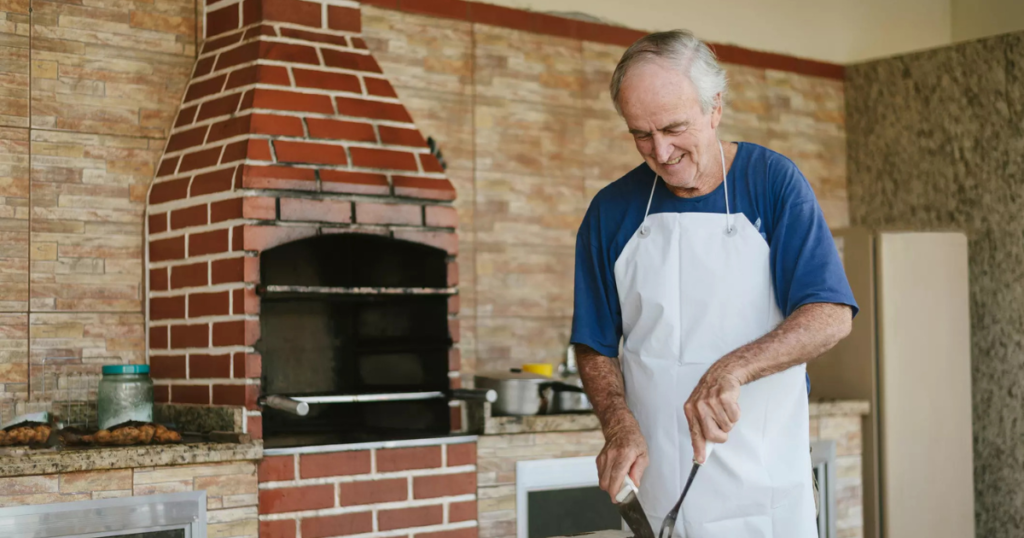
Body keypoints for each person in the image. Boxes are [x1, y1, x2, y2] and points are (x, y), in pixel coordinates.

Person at [570, 30, 857, 538]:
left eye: (674, 127)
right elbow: (594, 344)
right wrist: (617, 423)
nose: (660, 151)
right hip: (660, 497)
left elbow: (831, 314)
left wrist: (733, 369)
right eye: (640, 133)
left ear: (715, 107)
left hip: (766, 496)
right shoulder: (610, 211)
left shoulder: (772, 183)